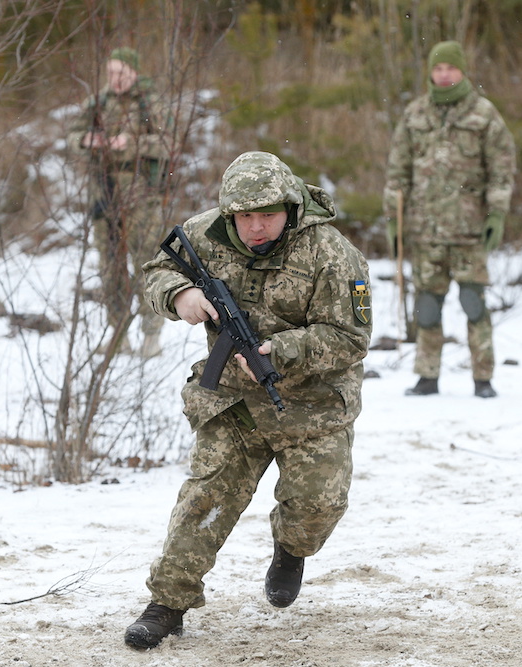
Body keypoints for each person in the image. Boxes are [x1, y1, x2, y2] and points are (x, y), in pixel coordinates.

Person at [125, 151, 372, 649]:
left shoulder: (332, 253)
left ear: (289, 207)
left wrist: (281, 350)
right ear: (228, 213)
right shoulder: (204, 233)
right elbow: (155, 270)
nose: (255, 227)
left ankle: (291, 548)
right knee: (204, 500)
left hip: (313, 404)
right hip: (233, 404)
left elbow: (351, 337)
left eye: (267, 215)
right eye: (244, 216)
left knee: (317, 507)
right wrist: (180, 296)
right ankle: (167, 604)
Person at [383, 40, 515, 398]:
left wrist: (497, 213)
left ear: (462, 71)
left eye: (450, 68)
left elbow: (501, 168)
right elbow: (398, 173)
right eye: (438, 69)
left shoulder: (483, 114)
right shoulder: (415, 115)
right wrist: (393, 220)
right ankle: (427, 376)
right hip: (426, 231)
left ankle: (483, 377)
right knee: (427, 305)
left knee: (473, 303)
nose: (444, 75)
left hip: (469, 229)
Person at [66, 47, 173, 358]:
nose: (115, 79)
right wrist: (88, 141)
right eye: (110, 73)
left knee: (146, 264)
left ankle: (151, 335)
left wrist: (134, 143)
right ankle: (118, 333)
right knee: (110, 265)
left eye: (121, 73)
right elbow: (73, 135)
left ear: (135, 73)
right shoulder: (98, 103)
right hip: (104, 191)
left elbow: (170, 143)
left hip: (141, 194)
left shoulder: (150, 103)